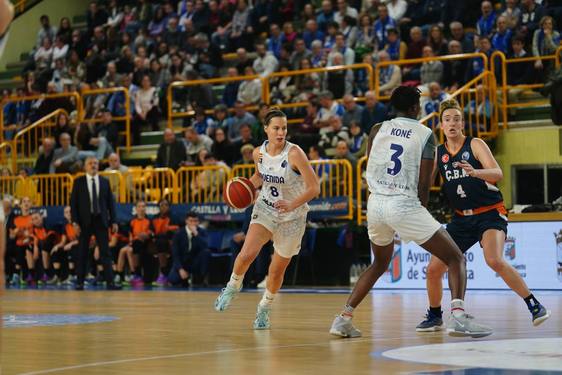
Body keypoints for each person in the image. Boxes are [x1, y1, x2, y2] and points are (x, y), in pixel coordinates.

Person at [329, 86, 492, 338]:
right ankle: (458, 317)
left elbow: (374, 163)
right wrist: (420, 213)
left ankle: (343, 319)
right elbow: (424, 183)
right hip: (402, 203)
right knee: (455, 258)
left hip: (375, 204)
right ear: (415, 108)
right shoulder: (425, 133)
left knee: (379, 263)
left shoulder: (375, 130)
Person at [416, 99, 550, 332]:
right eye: (447, 119)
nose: (452, 123)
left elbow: (497, 173)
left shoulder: (475, 144)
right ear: (441, 125)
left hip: (490, 213)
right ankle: (435, 315)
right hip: (461, 218)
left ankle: (534, 305)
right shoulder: (439, 153)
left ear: (462, 123)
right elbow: (424, 182)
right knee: (433, 269)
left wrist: (476, 172)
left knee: (494, 260)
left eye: (456, 119)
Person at [214, 108, 320, 330]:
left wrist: (292, 204)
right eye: (276, 128)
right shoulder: (258, 153)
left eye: (284, 128)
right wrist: (239, 190)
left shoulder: (295, 153)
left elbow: (314, 188)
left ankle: (264, 308)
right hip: (266, 209)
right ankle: (232, 288)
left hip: (292, 216)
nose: (281, 133)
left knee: (275, 271)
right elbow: (260, 176)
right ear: (266, 129)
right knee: (246, 254)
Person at [70, 157, 120, 290]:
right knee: (82, 252)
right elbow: (73, 205)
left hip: (100, 220)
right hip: (84, 222)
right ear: (85, 167)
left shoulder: (104, 182)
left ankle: (110, 282)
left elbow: (111, 204)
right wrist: (75, 222)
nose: (93, 165)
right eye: (90, 163)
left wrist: (114, 221)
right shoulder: (78, 182)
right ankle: (80, 282)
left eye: (96, 163)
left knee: (105, 252)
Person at [168, 212, 210, 286]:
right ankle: (185, 278)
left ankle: (201, 278)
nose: (193, 223)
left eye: (195, 221)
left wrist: (196, 234)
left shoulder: (202, 232)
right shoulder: (178, 234)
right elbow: (175, 254)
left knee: (206, 252)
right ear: (186, 221)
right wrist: (180, 269)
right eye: (191, 221)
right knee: (173, 280)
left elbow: (205, 246)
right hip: (183, 262)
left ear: (198, 222)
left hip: (195, 261)